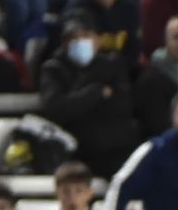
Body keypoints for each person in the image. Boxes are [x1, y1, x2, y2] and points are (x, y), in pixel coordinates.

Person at [38, 11, 140, 180]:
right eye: (73, 38)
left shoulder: (112, 65)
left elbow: (122, 106)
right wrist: (96, 93)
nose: (80, 42)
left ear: (98, 40)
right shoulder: (53, 69)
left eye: (85, 35)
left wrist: (78, 102)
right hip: (80, 150)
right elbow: (57, 108)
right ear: (64, 43)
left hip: (117, 146)